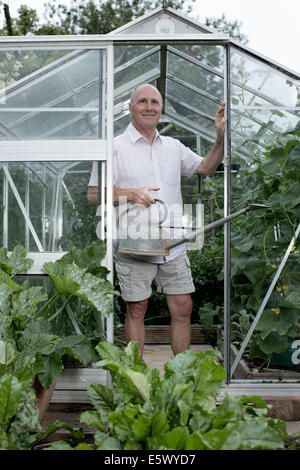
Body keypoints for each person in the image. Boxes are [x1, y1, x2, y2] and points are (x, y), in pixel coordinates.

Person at [88, 83, 226, 356]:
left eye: (155, 102)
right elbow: (93, 195)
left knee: (183, 306)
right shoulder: (113, 147)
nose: (149, 106)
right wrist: (131, 194)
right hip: (134, 243)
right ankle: (135, 379)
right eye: (142, 101)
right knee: (137, 308)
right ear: (130, 108)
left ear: (161, 109)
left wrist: (220, 136)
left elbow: (206, 167)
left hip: (172, 242)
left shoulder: (173, 147)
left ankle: (181, 375)